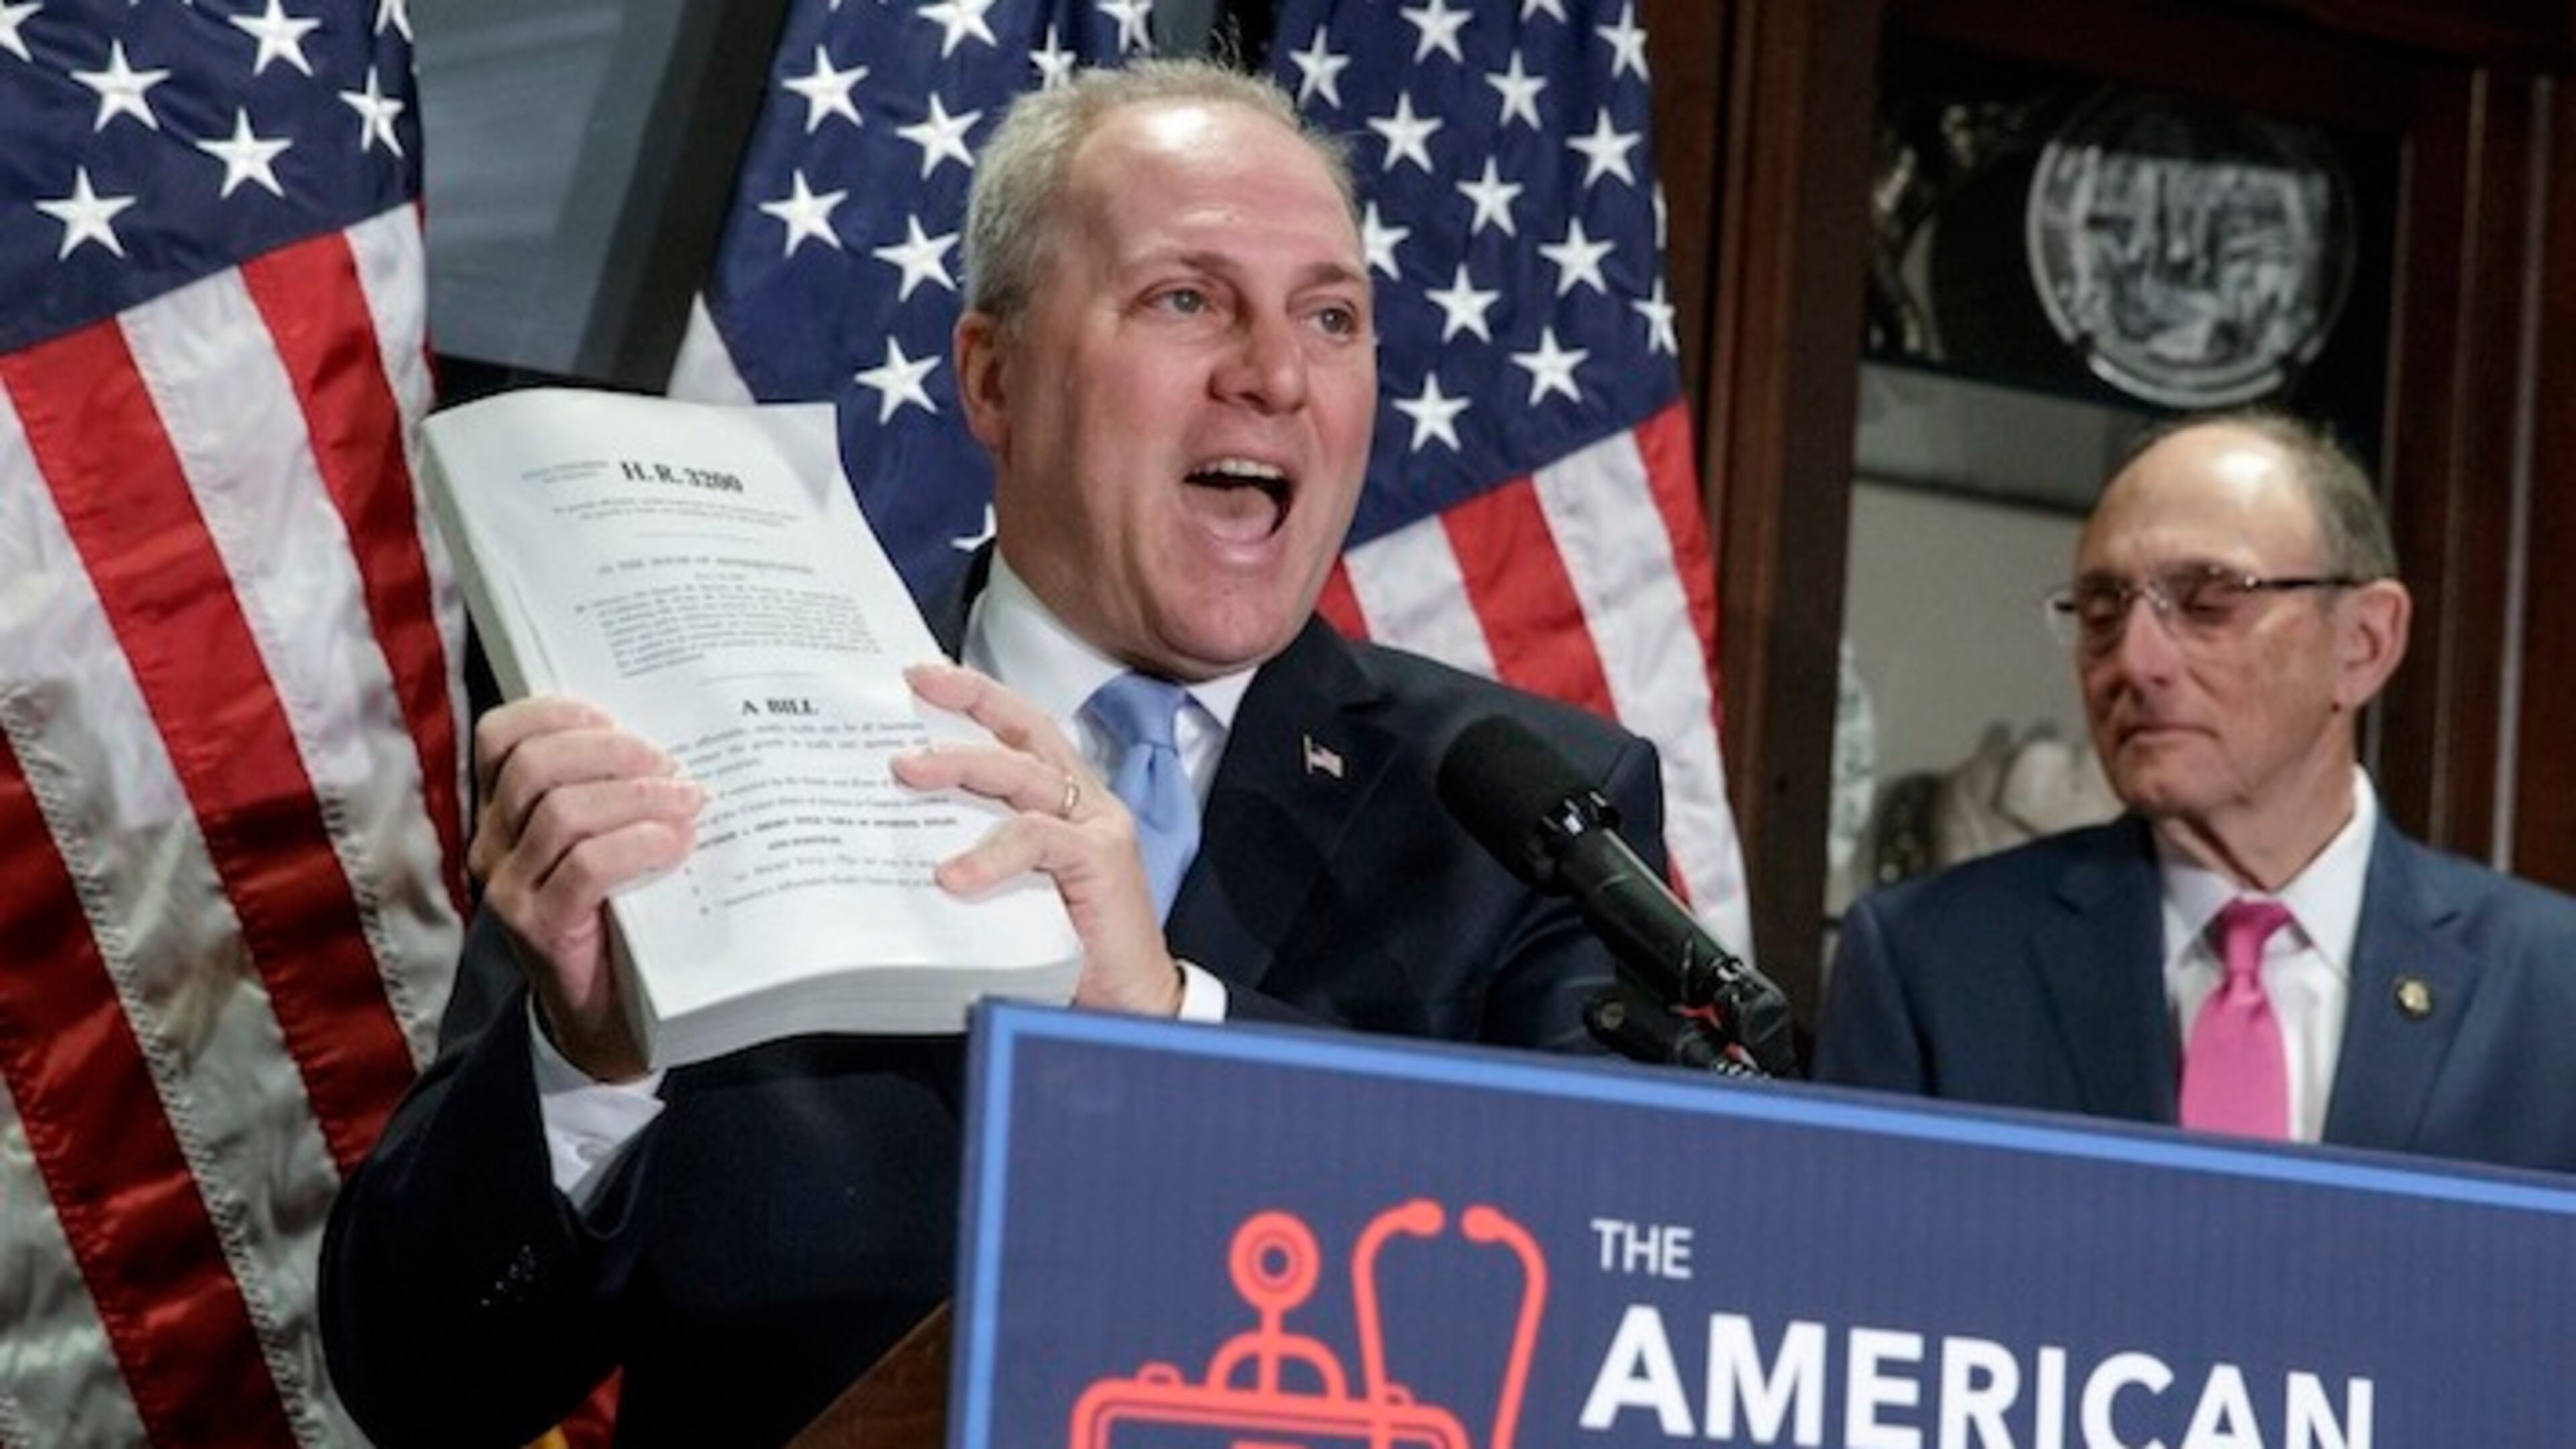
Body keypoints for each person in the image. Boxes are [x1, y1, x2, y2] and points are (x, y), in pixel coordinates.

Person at [321, 61, 1668, 1448]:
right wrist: (582, 1064)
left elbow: (1625, 1319)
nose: (1273, 375)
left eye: (1331, 317)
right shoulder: (707, 734)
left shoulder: (1526, 816)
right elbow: (416, 1382)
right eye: (1187, 299)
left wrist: (1164, 1023)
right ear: (992, 376)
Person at [1815, 411, 2576, 1172]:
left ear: (2365, 643)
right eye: (2104, 611)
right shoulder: (1935, 963)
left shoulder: (2551, 986)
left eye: (2210, 600)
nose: (2136, 661)